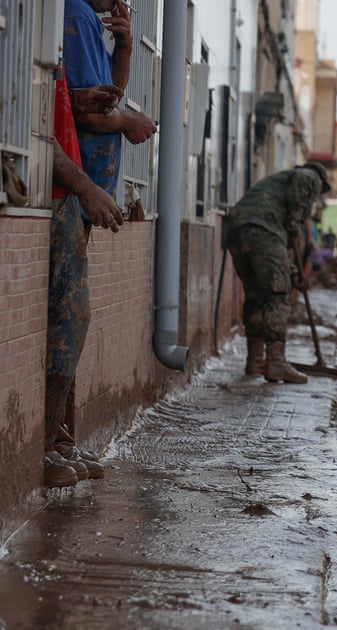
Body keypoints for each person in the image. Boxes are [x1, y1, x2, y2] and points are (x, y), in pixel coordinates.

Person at [42, 76, 126, 488]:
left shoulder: (72, 33)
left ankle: (57, 437)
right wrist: (86, 188)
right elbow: (38, 134)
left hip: (67, 196)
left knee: (73, 320)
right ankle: (43, 443)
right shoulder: (63, 16)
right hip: (54, 193)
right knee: (69, 318)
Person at [226, 163, 331, 385]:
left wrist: (292, 268)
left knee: (255, 295)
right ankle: (276, 362)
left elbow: (282, 247)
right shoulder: (309, 176)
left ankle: (255, 359)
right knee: (278, 294)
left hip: (237, 231)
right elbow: (304, 180)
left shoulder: (277, 186)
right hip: (262, 232)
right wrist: (295, 219)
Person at [64, 0, 158, 200]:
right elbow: (88, 111)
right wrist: (128, 121)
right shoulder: (79, 14)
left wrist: (124, 46)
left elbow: (113, 92)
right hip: (72, 185)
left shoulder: (86, 16)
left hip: (83, 188)